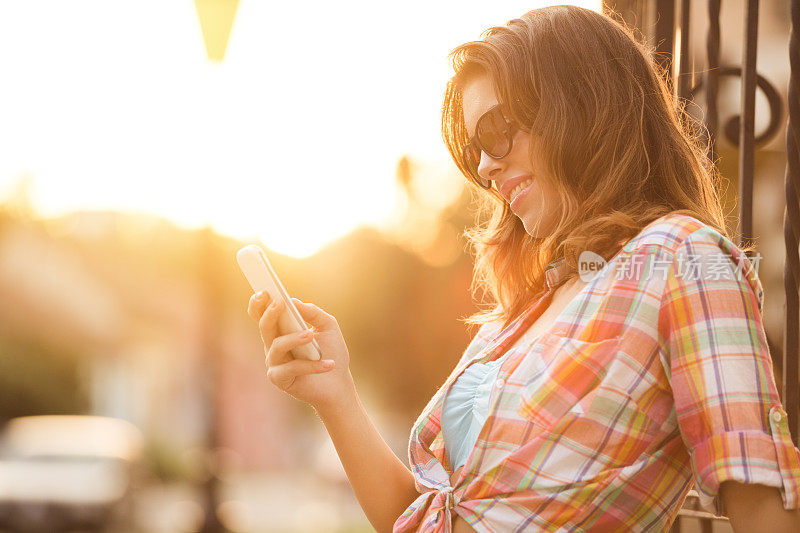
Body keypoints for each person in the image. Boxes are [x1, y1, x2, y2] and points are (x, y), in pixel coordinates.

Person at [247, 5, 800, 532]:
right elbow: (419, 517)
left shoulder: (685, 259)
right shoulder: (529, 306)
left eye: (494, 132)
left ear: (577, 107)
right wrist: (334, 392)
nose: (485, 167)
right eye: (474, 150)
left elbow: (761, 505)